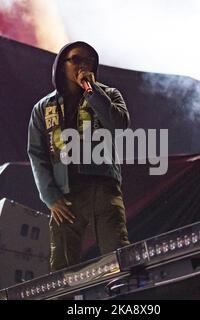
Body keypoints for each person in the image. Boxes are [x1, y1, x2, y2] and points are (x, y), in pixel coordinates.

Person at [27, 41, 130, 272]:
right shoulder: (43, 108)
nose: (84, 65)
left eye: (89, 61)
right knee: (62, 269)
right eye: (77, 60)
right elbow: (37, 153)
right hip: (65, 195)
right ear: (61, 65)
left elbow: (119, 125)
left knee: (118, 259)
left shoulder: (109, 94)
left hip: (103, 188)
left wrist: (92, 92)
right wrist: (50, 196)